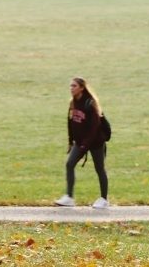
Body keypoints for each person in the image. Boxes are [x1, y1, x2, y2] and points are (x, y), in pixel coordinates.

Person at [55, 77, 109, 208]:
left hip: (95, 142)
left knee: (99, 169)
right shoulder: (72, 103)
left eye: (74, 86)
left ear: (82, 88)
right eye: (70, 86)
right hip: (80, 142)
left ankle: (104, 199)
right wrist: (70, 141)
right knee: (70, 164)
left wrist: (86, 145)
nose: (71, 88)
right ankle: (69, 197)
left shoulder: (90, 104)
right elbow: (70, 123)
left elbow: (94, 128)